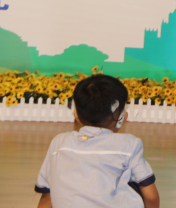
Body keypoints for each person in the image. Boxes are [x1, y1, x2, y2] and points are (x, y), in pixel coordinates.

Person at [34, 74, 159, 208]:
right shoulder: (129, 144)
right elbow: (151, 197)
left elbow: (47, 196)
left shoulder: (59, 143)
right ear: (122, 116)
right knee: (137, 183)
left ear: (77, 115)